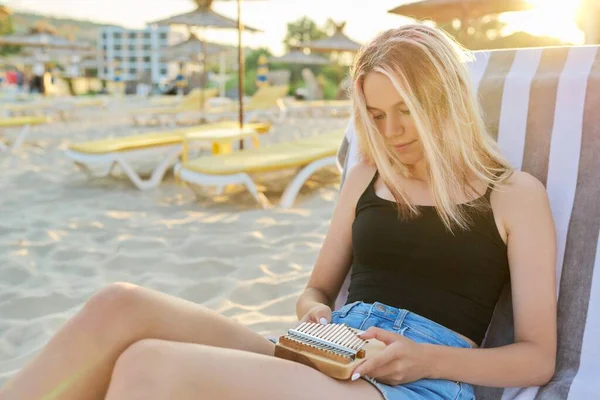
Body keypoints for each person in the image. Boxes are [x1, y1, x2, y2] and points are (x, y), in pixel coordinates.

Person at [0, 25, 557, 400]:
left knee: (149, 366)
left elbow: (537, 359)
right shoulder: (368, 173)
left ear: (447, 100)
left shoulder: (512, 195)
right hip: (329, 350)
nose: (392, 132)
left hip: (412, 387)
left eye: (406, 110)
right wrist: (315, 311)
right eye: (376, 114)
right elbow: (316, 289)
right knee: (119, 305)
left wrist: (426, 361)